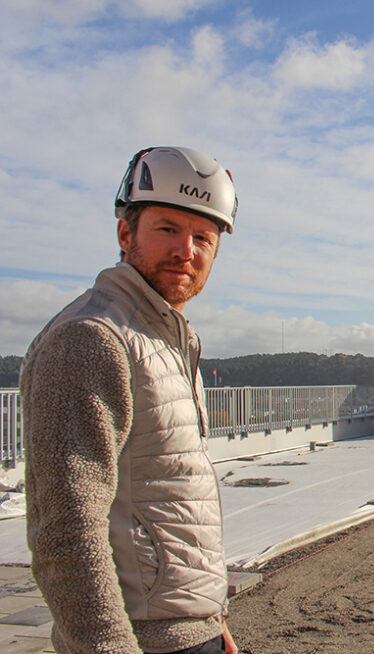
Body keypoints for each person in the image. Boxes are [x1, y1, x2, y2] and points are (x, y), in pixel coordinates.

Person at [20, 147, 239, 654]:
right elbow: (66, 530)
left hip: (191, 631)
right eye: (167, 229)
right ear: (125, 234)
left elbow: (172, 496)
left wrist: (212, 615)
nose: (187, 250)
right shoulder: (93, 339)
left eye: (203, 238)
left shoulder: (164, 339)